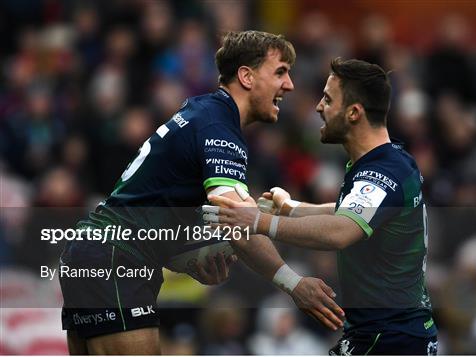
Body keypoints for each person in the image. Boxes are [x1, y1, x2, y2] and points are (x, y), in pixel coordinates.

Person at [60, 31, 344, 355]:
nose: (290, 84)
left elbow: (155, 206)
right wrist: (294, 284)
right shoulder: (217, 126)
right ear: (247, 77)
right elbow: (239, 222)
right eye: (280, 71)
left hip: (100, 251)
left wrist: (189, 260)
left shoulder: (203, 112)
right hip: (115, 256)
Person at [205, 58, 439, 355]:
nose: (318, 107)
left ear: (354, 113)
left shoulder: (382, 174)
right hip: (390, 334)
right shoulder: (389, 161)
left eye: (328, 99)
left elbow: (341, 231)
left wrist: (257, 222)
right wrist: (290, 208)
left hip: (389, 338)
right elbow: (351, 212)